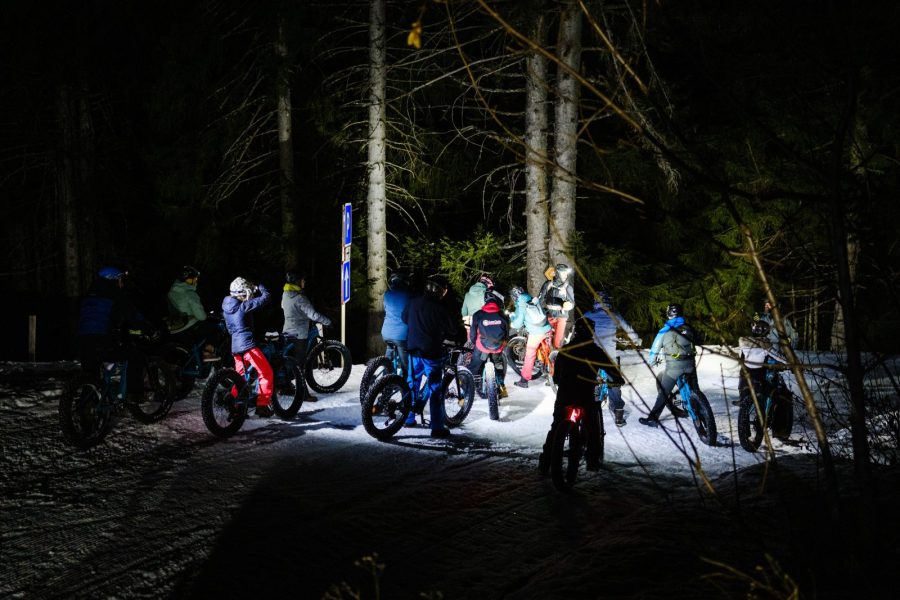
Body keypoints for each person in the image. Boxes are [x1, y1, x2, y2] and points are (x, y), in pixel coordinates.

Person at [538, 318, 608, 473]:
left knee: (556, 426)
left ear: (575, 331)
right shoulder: (595, 351)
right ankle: (592, 461)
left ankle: (545, 462)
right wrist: (617, 380)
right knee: (592, 427)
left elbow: (556, 378)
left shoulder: (565, 350)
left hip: (565, 395)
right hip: (585, 396)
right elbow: (612, 370)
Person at [76, 266, 152, 402]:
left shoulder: (88, 296)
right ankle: (135, 394)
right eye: (120, 280)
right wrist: (147, 328)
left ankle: (85, 406)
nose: (122, 284)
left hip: (83, 342)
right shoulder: (115, 294)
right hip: (102, 341)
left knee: (91, 375)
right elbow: (132, 314)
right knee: (135, 355)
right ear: (113, 280)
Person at [402, 274, 463, 438]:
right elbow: (453, 329)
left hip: (413, 349)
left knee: (412, 382)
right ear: (440, 291)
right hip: (431, 353)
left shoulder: (413, 302)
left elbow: (404, 318)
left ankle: (408, 417)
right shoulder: (440, 308)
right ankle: (437, 427)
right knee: (435, 388)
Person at [583, 291, 642, 426]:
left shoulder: (588, 315)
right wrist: (636, 340)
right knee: (614, 380)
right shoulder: (614, 315)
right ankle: (618, 411)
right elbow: (628, 329)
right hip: (609, 355)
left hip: (592, 354)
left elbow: (578, 328)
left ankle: (585, 408)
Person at [639, 303, 699, 427]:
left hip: (674, 368)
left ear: (669, 314)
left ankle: (652, 419)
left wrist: (652, 361)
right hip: (690, 364)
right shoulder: (688, 327)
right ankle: (700, 410)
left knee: (664, 393)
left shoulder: (664, 330)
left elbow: (655, 349)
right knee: (696, 390)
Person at [223, 277, 275, 418]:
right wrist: (260, 285)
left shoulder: (227, 308)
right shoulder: (243, 306)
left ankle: (234, 405)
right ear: (242, 292)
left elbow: (230, 329)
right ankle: (262, 405)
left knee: (240, 378)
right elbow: (266, 298)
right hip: (248, 346)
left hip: (235, 347)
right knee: (266, 373)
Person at [281, 270, 332, 401]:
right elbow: (313, 315)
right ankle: (303, 393)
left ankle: (285, 386)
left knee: (288, 361)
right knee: (300, 365)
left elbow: (284, 308)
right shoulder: (300, 298)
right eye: (302, 280)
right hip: (299, 334)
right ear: (296, 282)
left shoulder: (285, 294)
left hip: (287, 331)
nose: (304, 282)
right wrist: (327, 321)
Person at [166, 265, 220, 359]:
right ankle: (208, 354)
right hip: (189, 325)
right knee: (214, 329)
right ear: (188, 280)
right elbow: (201, 316)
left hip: (176, 327)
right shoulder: (189, 293)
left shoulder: (171, 293)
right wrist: (206, 316)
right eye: (194, 279)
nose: (196, 281)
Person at [467, 290, 510, 409]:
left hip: (482, 346)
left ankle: (466, 389)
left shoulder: (478, 314)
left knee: (475, 364)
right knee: (498, 364)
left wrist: (474, 343)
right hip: (498, 347)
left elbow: (473, 334)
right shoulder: (503, 315)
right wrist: (504, 343)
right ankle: (502, 387)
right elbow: (506, 334)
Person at [733, 319, 787, 406]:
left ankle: (743, 398)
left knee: (743, 378)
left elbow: (741, 357)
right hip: (759, 373)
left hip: (745, 373)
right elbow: (778, 356)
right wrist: (789, 363)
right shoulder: (765, 345)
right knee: (769, 388)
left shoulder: (744, 342)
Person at [508, 286, 552, 389]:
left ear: (514, 297)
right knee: (549, 350)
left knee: (530, 354)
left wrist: (512, 318)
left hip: (536, 333)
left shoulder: (521, 305)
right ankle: (550, 370)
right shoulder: (532, 299)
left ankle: (524, 380)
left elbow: (517, 324)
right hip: (547, 328)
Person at [381, 271, 412, 376]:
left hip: (386, 333)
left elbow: (386, 309)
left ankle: (385, 378)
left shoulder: (387, 294)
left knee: (388, 356)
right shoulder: (408, 295)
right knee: (405, 364)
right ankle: (405, 382)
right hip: (401, 335)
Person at [538, 264, 575, 348]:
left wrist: (569, 305)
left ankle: (558, 352)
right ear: (557, 273)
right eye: (563, 273)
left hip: (561, 316)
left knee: (557, 343)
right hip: (549, 315)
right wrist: (537, 309)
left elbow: (572, 303)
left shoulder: (568, 287)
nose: (565, 275)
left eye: (566, 273)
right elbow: (541, 299)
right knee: (544, 340)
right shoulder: (548, 284)